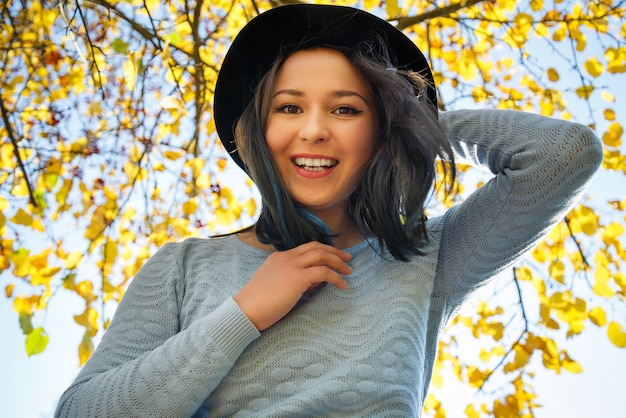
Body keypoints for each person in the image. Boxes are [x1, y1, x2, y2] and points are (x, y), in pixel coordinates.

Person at [55, 4, 603, 417]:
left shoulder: (426, 260)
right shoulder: (182, 266)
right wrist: (241, 316)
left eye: (346, 109)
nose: (314, 129)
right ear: (258, 133)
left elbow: (563, 155)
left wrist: (409, 129)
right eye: (289, 107)